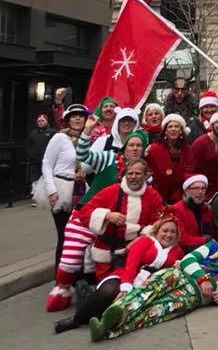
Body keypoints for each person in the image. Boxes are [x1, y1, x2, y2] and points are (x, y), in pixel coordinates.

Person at [46, 115, 150, 312]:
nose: (135, 148)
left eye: (139, 145)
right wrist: (87, 131)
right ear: (124, 148)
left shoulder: (145, 173)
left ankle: (98, 295)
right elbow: (83, 156)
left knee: (103, 264)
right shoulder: (109, 158)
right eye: (131, 145)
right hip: (85, 217)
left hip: (112, 227)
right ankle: (63, 289)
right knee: (71, 260)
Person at [89, 223, 218, 342]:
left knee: (156, 312)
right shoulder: (212, 246)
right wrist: (203, 279)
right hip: (179, 276)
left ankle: (107, 331)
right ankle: (110, 315)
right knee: (145, 293)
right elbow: (187, 260)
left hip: (194, 296)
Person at [54, 214, 184, 334]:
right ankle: (76, 320)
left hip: (149, 286)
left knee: (128, 308)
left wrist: (179, 265)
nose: (168, 235)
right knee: (109, 291)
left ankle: (104, 322)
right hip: (127, 276)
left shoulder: (177, 252)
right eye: (165, 230)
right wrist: (125, 287)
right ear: (157, 231)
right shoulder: (145, 241)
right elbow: (131, 265)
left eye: (173, 232)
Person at [73, 159, 166, 280]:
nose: (133, 177)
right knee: (110, 290)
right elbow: (84, 213)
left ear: (145, 176)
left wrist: (142, 239)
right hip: (108, 254)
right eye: (130, 173)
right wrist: (107, 215)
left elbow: (158, 224)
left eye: (137, 174)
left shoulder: (153, 196)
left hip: (137, 252)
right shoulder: (111, 191)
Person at [38, 104, 89, 265]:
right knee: (65, 234)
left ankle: (75, 274)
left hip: (81, 189)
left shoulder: (87, 140)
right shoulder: (60, 138)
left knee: (79, 235)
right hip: (61, 189)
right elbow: (46, 163)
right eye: (74, 116)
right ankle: (61, 277)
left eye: (81, 116)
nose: (78, 119)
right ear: (67, 120)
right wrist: (51, 190)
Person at [185, 109, 218, 200]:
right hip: (199, 190)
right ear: (212, 124)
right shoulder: (200, 143)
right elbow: (189, 170)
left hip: (216, 191)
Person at [145, 113, 189, 204]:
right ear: (165, 130)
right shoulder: (154, 149)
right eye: (170, 127)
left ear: (181, 131)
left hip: (181, 194)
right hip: (158, 193)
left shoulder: (187, 149)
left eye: (176, 126)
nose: (173, 129)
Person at [170, 174, 214, 251]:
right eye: (196, 188)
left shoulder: (207, 209)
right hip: (185, 251)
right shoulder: (178, 209)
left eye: (203, 188)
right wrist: (205, 241)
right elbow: (181, 238)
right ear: (186, 190)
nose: (200, 192)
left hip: (205, 249)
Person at [27, 113, 55, 184]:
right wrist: (30, 155)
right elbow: (28, 144)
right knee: (34, 180)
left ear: (47, 121)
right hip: (35, 162)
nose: (40, 122)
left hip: (48, 161)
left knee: (47, 179)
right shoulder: (33, 133)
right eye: (39, 121)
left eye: (42, 121)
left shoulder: (52, 132)